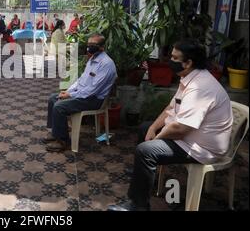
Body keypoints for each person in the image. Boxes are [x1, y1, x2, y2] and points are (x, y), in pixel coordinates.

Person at [107, 40, 233, 211]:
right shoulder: (189, 77)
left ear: (188, 63)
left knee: (146, 151)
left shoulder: (200, 87)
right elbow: (171, 108)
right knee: (145, 127)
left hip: (201, 148)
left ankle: (138, 206)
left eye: (174, 58)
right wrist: (153, 129)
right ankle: (144, 174)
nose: (169, 61)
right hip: (189, 136)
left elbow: (180, 129)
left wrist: (156, 139)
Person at [43, 34, 117, 152]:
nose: (89, 48)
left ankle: (62, 141)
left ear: (102, 47)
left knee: (59, 106)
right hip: (84, 95)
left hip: (94, 100)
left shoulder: (106, 64)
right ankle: (56, 132)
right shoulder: (92, 59)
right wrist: (68, 91)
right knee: (53, 98)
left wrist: (70, 95)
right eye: (88, 45)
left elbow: (93, 89)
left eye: (93, 45)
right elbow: (81, 81)